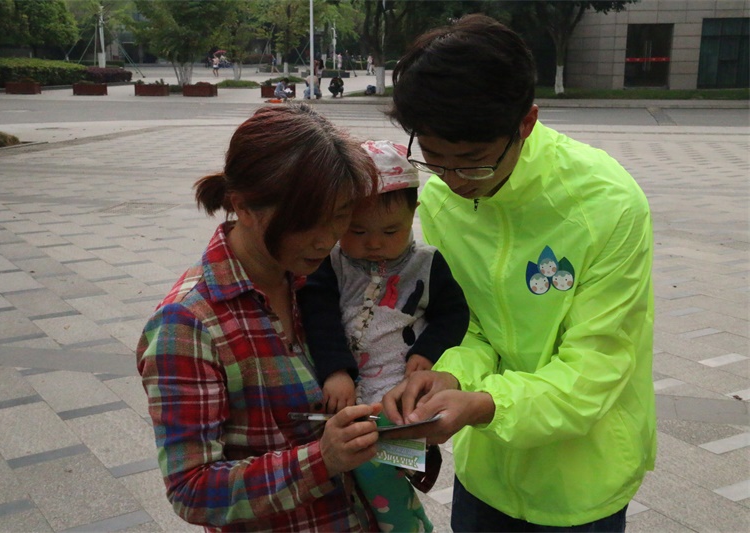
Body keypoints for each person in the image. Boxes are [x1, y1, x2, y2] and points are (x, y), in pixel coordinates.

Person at [380, 13, 656, 533]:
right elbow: (475, 323)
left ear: (525, 124)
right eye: (437, 161)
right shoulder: (441, 196)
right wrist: (450, 373)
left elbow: (596, 366)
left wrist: (484, 405)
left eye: (474, 162)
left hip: (584, 479)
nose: (456, 182)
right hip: (488, 473)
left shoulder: (608, 205)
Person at [136, 104, 384, 532]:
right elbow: (191, 489)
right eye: (305, 222)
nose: (326, 239)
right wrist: (321, 458)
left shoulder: (319, 283)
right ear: (242, 206)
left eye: (341, 215)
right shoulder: (188, 324)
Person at [299, 140, 469, 533]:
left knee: (382, 476)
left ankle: (408, 526)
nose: (374, 243)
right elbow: (318, 317)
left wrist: (427, 352)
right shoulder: (334, 263)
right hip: (346, 395)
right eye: (356, 230)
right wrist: (336, 371)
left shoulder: (426, 264)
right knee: (362, 474)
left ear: (414, 212)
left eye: (390, 231)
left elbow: (454, 314)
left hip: (398, 397)